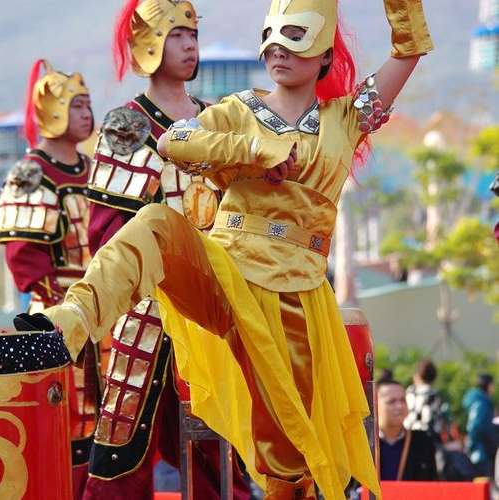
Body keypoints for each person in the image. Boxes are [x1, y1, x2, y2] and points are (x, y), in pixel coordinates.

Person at [41, 0, 433, 497]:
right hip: (224, 271)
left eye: (294, 36)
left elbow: (409, 49)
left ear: (325, 55)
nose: (276, 48)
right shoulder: (238, 110)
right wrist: (253, 151)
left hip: (294, 298)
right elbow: (174, 142)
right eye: (269, 37)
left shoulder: (347, 118)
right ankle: (69, 323)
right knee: (154, 226)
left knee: (288, 457)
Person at [82, 1, 247, 499]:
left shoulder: (217, 119)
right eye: (177, 35)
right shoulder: (126, 125)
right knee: (122, 443)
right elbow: (108, 232)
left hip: (211, 306)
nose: (190, 45)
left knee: (220, 446)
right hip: (144, 310)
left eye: (193, 34)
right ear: (150, 43)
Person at [0, 59, 99, 498]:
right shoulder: (32, 173)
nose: (86, 113)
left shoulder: (95, 169)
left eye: (88, 104)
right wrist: (64, 307)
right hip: (55, 315)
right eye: (76, 105)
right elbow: (24, 258)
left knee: (107, 423)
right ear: (52, 109)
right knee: (66, 421)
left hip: (105, 310)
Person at [377, 380, 438, 481]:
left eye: (403, 400)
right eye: (391, 401)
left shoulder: (423, 442)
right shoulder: (364, 443)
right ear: (375, 405)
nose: (399, 406)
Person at [463, 373, 498, 478]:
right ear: (488, 385)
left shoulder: (478, 401)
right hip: (481, 452)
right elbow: (475, 427)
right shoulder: (481, 403)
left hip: (479, 450)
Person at [405, 359, 448, 439]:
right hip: (430, 436)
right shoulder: (435, 395)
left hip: (409, 434)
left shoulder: (410, 392)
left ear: (417, 375)